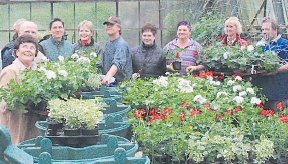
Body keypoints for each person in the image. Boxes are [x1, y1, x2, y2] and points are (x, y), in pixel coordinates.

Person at [0, 34, 40, 144]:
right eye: (25, 47)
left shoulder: (38, 72)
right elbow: (4, 103)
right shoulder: (10, 71)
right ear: (17, 52)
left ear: (35, 53)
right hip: (14, 124)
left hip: (31, 125)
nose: (28, 50)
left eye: (32, 48)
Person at [251, 17, 288, 109]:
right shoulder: (259, 46)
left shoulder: (284, 44)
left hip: (279, 91)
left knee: (279, 115)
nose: (264, 32)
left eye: (267, 29)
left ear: (275, 30)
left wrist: (278, 69)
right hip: (262, 91)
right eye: (262, 29)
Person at [101, 16, 132, 84]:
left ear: (119, 28)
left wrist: (108, 75)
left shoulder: (121, 44)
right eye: (107, 24)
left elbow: (118, 63)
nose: (108, 26)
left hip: (121, 85)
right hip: (110, 83)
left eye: (111, 24)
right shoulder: (108, 43)